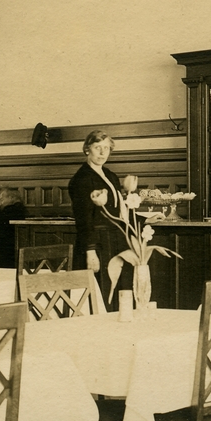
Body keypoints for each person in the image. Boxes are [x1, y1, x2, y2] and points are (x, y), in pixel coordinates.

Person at [68, 130, 132, 309]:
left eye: (106, 148)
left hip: (114, 242)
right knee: (101, 296)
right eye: (98, 148)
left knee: (115, 292)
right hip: (97, 244)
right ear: (87, 149)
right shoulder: (81, 179)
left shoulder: (109, 175)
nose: (103, 153)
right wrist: (90, 251)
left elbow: (118, 210)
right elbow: (84, 220)